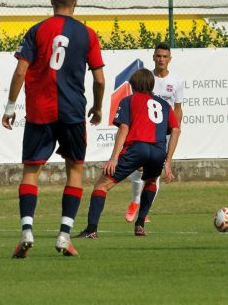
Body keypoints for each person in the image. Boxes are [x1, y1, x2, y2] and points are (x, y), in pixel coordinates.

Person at [2, 0, 105, 258]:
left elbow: (21, 71)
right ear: (76, 2)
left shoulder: (37, 30)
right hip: (72, 111)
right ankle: (63, 236)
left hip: (40, 111)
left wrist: (10, 106)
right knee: (74, 170)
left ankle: (26, 230)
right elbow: (99, 79)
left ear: (51, 1)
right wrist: (97, 107)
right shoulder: (87, 34)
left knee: (31, 171)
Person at [75, 69, 180, 238]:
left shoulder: (128, 100)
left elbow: (124, 127)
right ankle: (140, 225)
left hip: (137, 148)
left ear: (134, 85)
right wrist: (168, 161)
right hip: (158, 151)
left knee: (101, 185)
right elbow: (175, 130)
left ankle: (91, 229)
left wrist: (114, 157)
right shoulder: (164, 105)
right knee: (151, 181)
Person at [124, 43, 183, 223]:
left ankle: (144, 209)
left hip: (163, 133)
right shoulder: (146, 78)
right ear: (153, 57)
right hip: (144, 130)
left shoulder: (176, 81)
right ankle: (135, 201)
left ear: (170, 59)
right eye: (158, 56)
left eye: (165, 56)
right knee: (139, 166)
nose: (161, 59)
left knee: (154, 171)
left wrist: (176, 128)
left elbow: (178, 108)